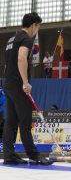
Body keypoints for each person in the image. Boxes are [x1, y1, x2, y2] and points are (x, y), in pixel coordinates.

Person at [3, 12, 53, 165]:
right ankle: (33, 155)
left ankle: (9, 155)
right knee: (25, 122)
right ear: (33, 25)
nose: (37, 30)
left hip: (8, 84)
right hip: (19, 85)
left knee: (10, 122)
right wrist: (25, 82)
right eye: (38, 27)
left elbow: (8, 62)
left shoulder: (12, 38)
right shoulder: (26, 39)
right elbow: (21, 58)